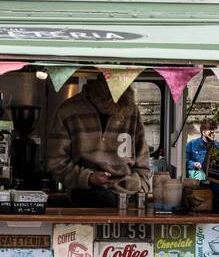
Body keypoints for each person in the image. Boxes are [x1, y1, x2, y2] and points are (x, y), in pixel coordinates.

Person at [47, 77, 151, 208]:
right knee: (102, 198)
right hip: (86, 191)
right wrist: (89, 178)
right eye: (111, 104)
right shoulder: (68, 111)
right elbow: (56, 162)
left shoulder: (131, 111)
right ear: (98, 98)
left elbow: (143, 164)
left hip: (128, 192)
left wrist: (140, 184)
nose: (115, 111)